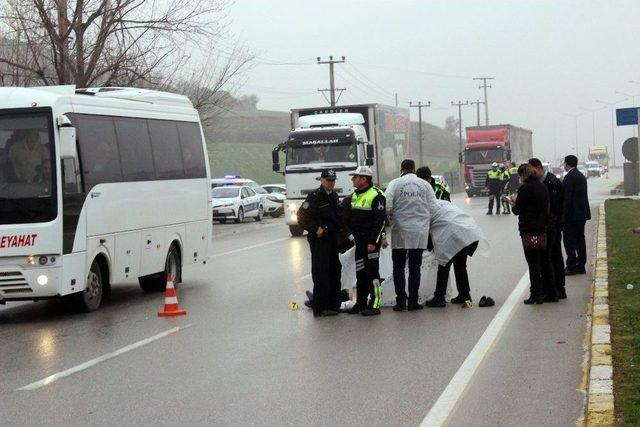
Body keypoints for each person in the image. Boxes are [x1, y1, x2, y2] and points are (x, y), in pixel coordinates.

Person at [385, 159, 435, 311]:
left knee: (398, 267)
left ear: (401, 169)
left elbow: (387, 206)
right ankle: (413, 301)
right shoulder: (425, 185)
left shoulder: (394, 184)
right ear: (413, 169)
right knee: (415, 267)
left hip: (400, 231)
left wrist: (391, 219)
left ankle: (401, 301)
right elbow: (433, 207)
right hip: (419, 232)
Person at [297, 169, 343, 317]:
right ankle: (320, 307)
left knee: (335, 271)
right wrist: (315, 228)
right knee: (321, 272)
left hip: (333, 238)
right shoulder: (314, 196)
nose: (331, 183)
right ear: (322, 180)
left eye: (333, 180)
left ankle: (334, 304)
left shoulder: (334, 196)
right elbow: (301, 216)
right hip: (320, 240)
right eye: (328, 180)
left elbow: (338, 218)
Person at [422, 200, 485, 307]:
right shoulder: (442, 203)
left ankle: (439, 298)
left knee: (444, 266)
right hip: (468, 231)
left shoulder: (426, 208)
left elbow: (426, 230)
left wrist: (427, 247)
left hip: (453, 233)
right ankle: (465, 297)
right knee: (460, 266)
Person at [343, 165, 386, 316]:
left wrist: (373, 242)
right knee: (360, 273)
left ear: (364, 179)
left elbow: (380, 222)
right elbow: (351, 220)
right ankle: (360, 303)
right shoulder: (355, 195)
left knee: (373, 274)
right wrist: (353, 237)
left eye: (355, 177)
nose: (352, 179)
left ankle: (375, 304)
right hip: (360, 243)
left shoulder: (377, 195)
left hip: (370, 244)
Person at [510, 164, 552, 305]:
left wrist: (513, 202)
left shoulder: (525, 189)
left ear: (523, 175)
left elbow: (518, 210)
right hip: (542, 228)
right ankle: (550, 292)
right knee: (545, 261)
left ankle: (536, 295)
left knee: (533, 263)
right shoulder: (542, 187)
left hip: (529, 230)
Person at [529, 158, 565, 300]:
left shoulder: (551, 182)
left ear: (538, 168)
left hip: (552, 224)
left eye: (531, 170)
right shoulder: (541, 183)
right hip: (545, 225)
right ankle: (548, 288)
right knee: (546, 257)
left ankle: (559, 288)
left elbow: (556, 205)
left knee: (554, 256)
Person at [562, 155, 591, 275]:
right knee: (580, 239)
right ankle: (581, 265)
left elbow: (567, 197)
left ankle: (571, 265)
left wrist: (563, 214)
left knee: (569, 240)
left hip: (572, 215)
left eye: (564, 163)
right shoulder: (580, 175)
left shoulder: (569, 177)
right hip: (582, 213)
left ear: (567, 164)